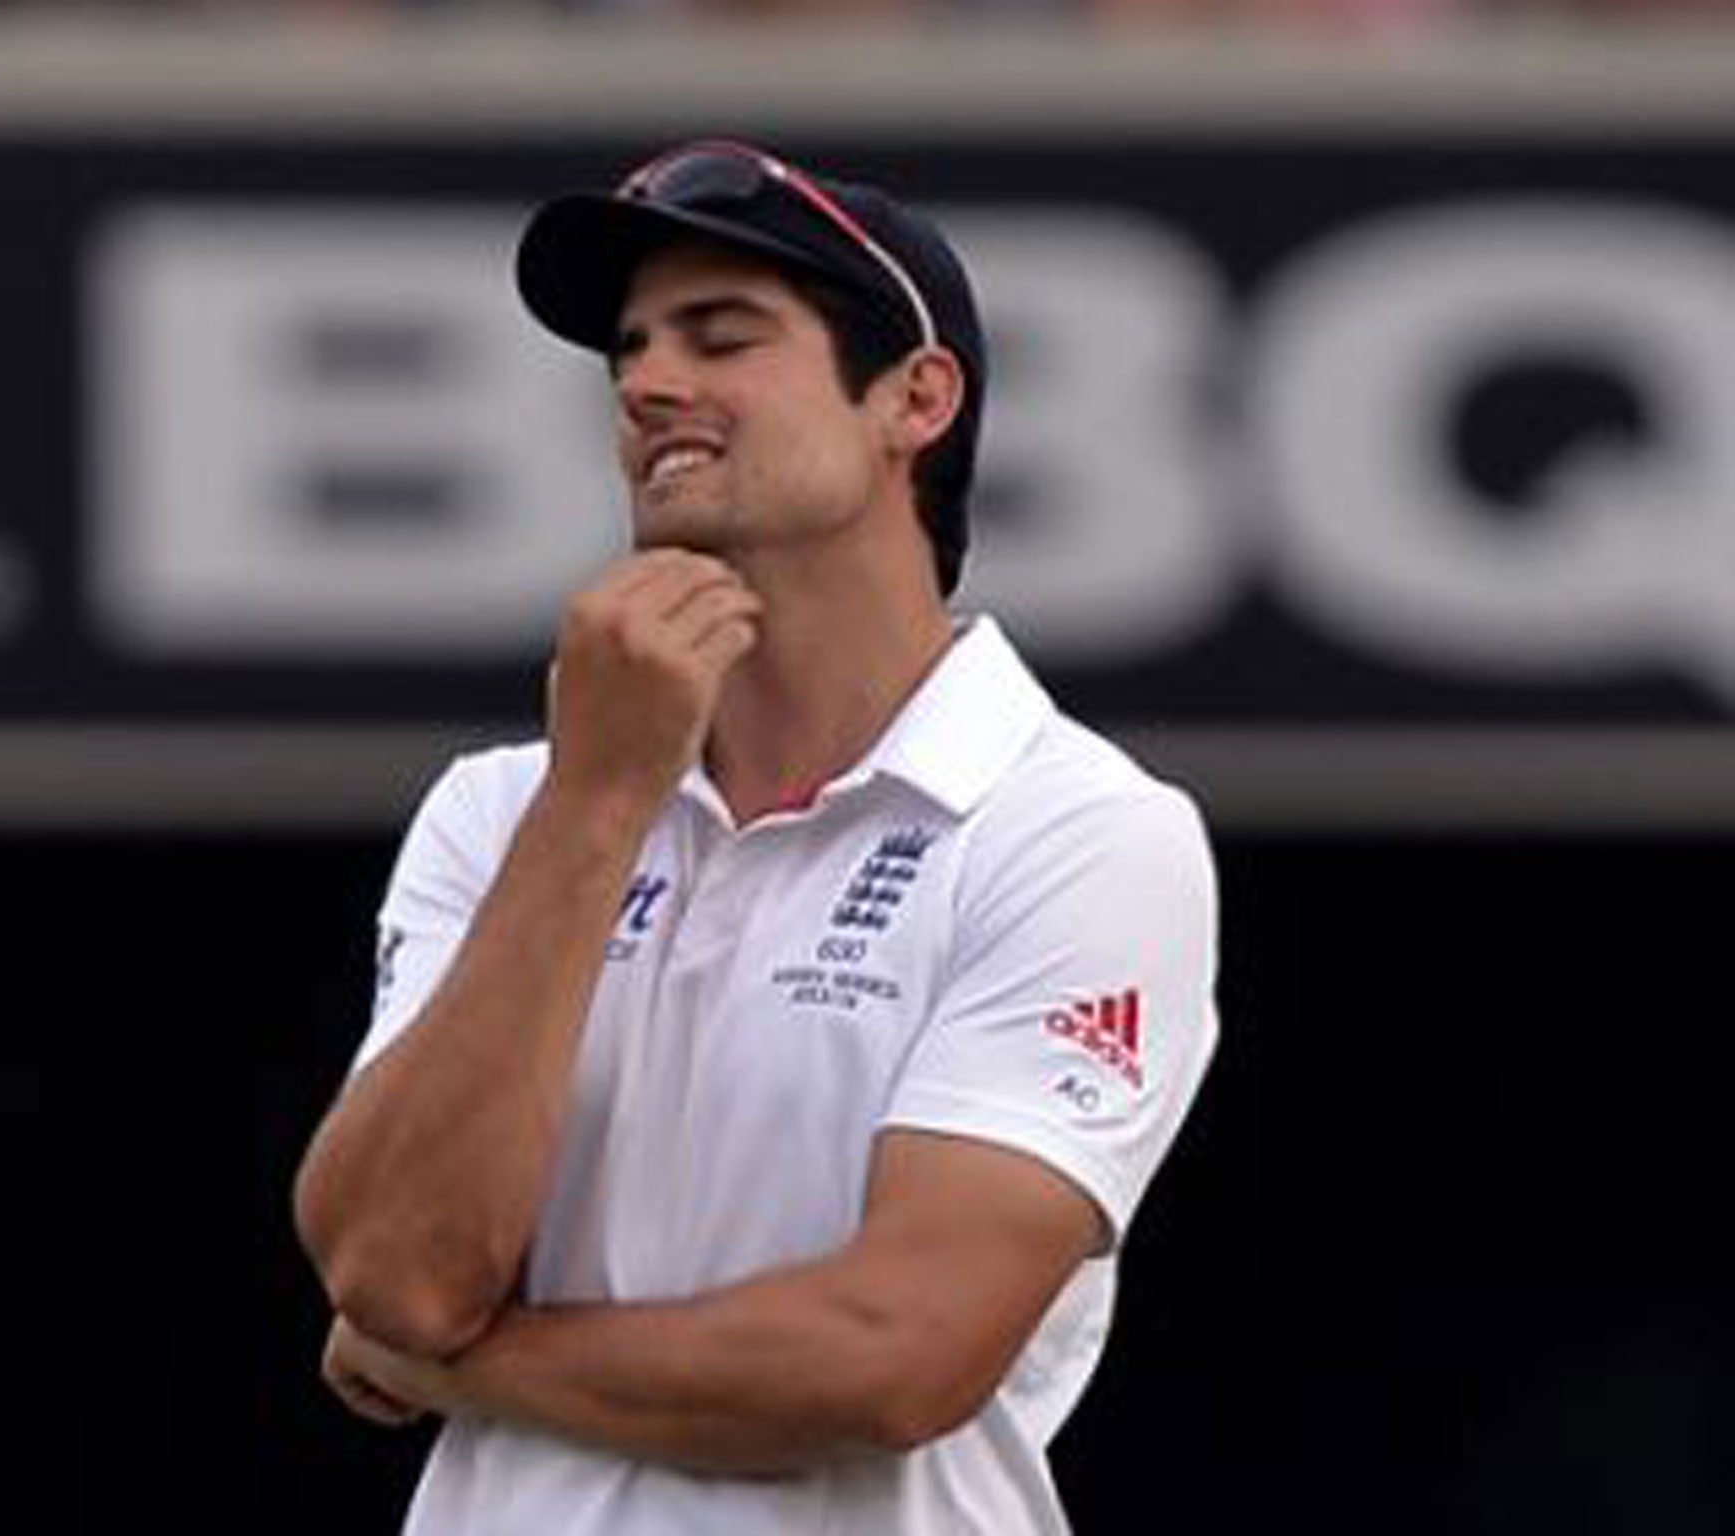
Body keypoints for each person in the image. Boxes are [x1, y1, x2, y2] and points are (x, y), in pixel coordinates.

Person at [292, 138, 1221, 1535]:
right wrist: (598, 802)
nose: (647, 382)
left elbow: (890, 1353)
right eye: (630, 349)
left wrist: (465, 1369)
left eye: (723, 336)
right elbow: (397, 1271)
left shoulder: (1078, 828)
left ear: (917, 398)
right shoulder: (507, 809)